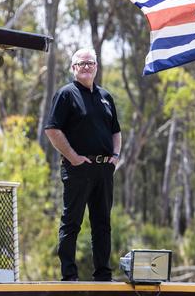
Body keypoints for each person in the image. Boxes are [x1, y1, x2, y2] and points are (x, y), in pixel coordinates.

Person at [44, 48, 121, 282]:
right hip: (78, 168)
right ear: (73, 68)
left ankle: (103, 274)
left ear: (96, 67)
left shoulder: (106, 97)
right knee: (72, 222)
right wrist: (74, 157)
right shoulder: (66, 95)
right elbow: (52, 129)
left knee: (102, 224)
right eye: (81, 63)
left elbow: (116, 131)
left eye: (90, 63)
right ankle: (69, 275)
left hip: (103, 169)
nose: (86, 67)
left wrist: (115, 157)